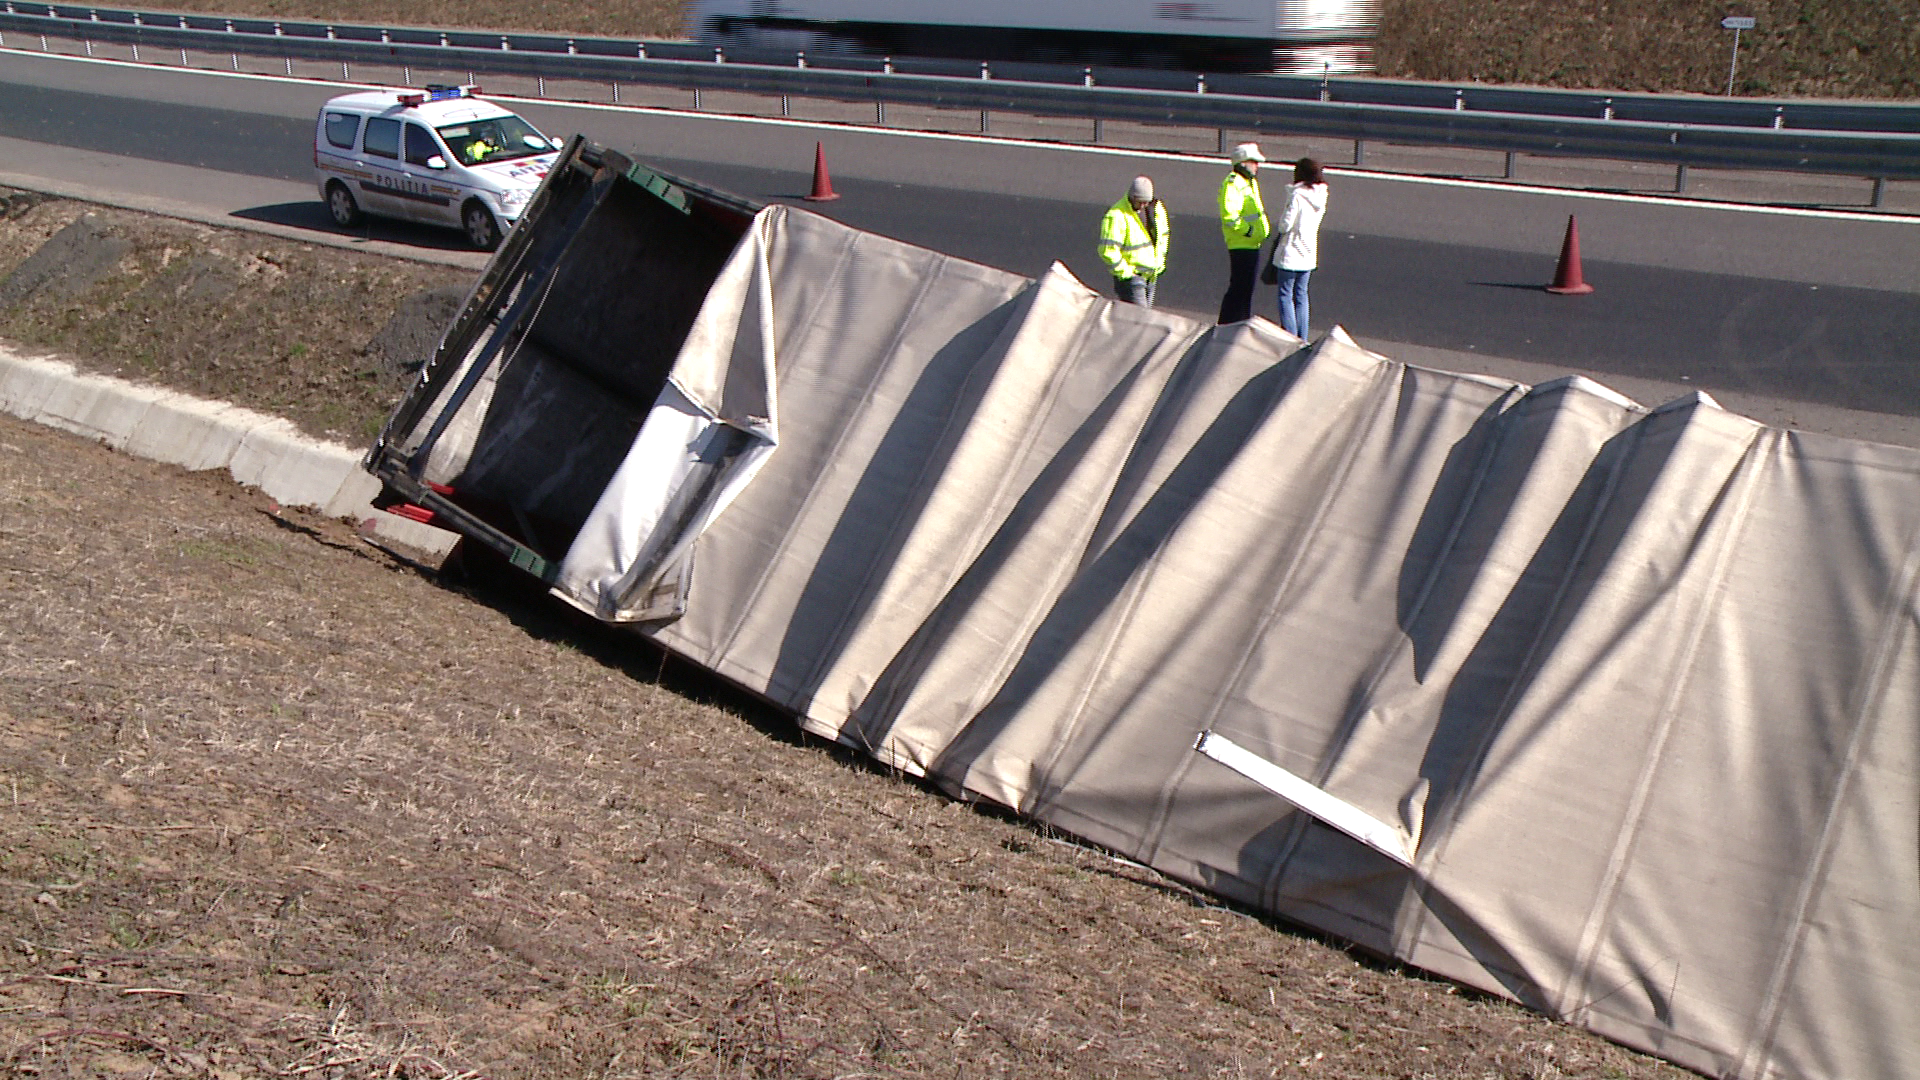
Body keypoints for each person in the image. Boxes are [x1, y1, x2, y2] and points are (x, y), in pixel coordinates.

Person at [1272, 157, 1329, 340]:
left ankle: (1290, 336)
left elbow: (1285, 226)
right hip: (1309, 252)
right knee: (1302, 295)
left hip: (1291, 252)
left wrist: (1289, 197)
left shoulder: (1297, 196)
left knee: (1285, 294)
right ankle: (1303, 337)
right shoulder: (1321, 196)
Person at [1216, 142, 1270, 324]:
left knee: (1245, 289)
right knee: (1239, 289)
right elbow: (1230, 216)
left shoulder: (1248, 182)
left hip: (1251, 243)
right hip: (1241, 244)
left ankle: (1238, 323)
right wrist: (1250, 232)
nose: (1257, 166)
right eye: (1254, 162)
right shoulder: (1233, 183)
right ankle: (1228, 324)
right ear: (1243, 163)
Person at [1097, 175, 1170, 307]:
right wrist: (1126, 272)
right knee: (1141, 319)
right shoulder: (1116, 216)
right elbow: (1108, 251)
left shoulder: (1157, 209)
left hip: (1151, 275)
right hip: (1132, 278)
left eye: (1146, 202)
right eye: (1139, 201)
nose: (1142, 205)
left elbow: (1163, 236)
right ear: (1131, 197)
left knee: (1144, 319)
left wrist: (1160, 261)